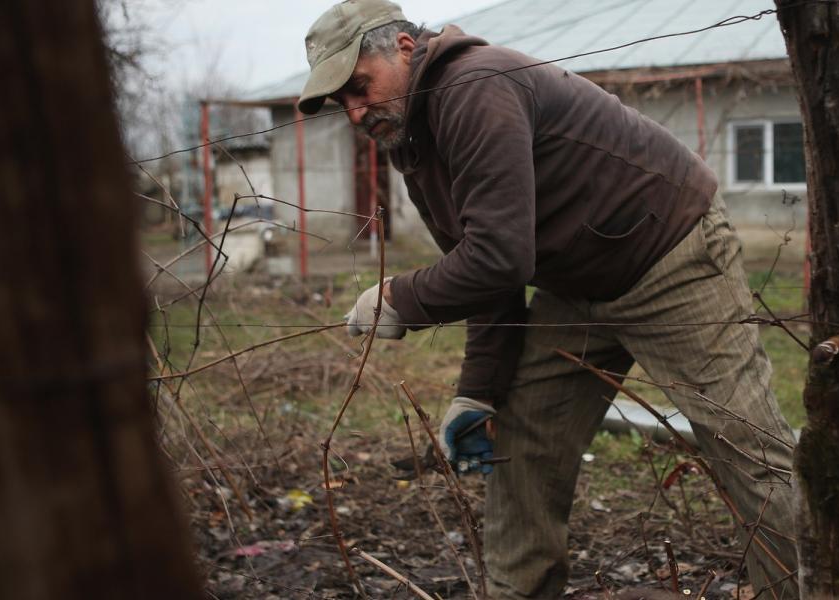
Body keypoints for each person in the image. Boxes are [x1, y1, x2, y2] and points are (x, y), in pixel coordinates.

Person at [300, 1, 799, 597]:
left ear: (404, 49)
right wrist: (477, 392)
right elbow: (489, 273)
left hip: (670, 253)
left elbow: (499, 258)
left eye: (359, 88)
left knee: (745, 445)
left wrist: (399, 299)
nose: (355, 112)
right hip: (578, 283)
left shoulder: (475, 87)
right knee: (522, 442)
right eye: (341, 103)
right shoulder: (415, 138)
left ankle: (822, 587)